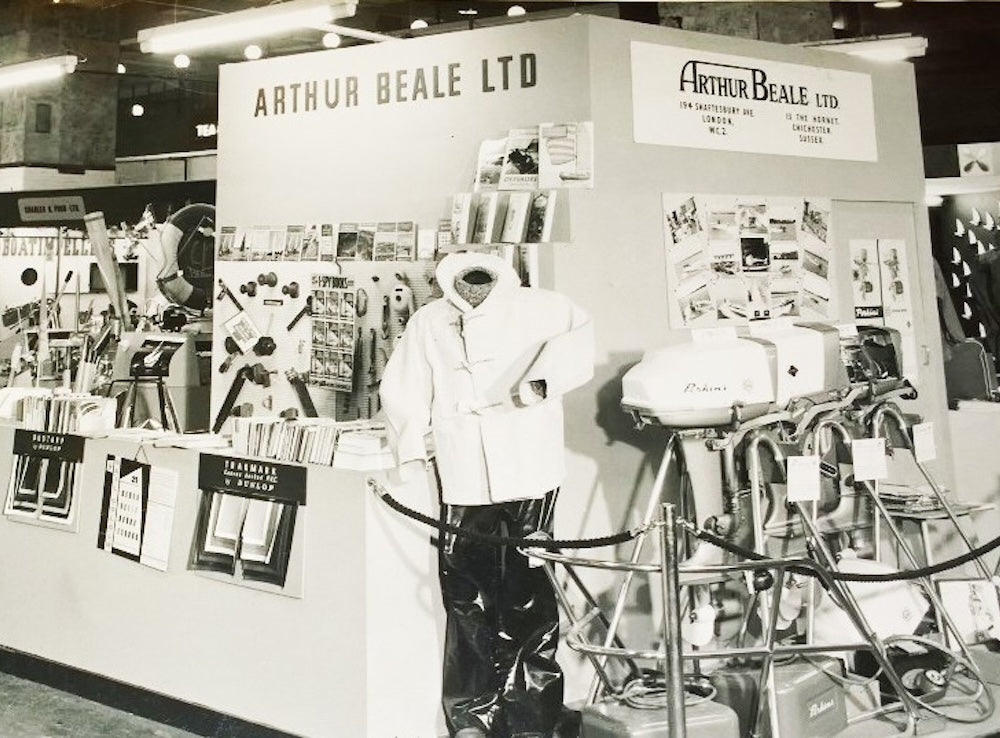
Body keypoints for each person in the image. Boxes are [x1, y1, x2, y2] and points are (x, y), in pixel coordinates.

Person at [380, 250, 594, 738]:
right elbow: (404, 386)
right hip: (463, 474)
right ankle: (473, 718)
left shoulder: (546, 307)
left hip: (530, 468)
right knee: (466, 596)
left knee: (529, 597)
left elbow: (579, 342)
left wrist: (540, 381)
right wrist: (412, 443)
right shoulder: (430, 320)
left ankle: (532, 719)